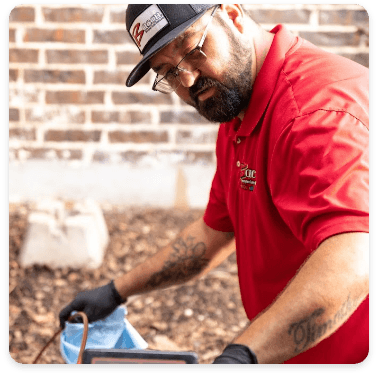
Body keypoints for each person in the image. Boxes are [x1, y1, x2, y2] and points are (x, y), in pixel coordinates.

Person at [59, 4, 369, 364]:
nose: (187, 80)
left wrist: (243, 354)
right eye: (168, 72)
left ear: (233, 14)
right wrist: (115, 292)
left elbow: (355, 256)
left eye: (192, 50)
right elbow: (214, 232)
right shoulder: (237, 107)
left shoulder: (316, 113)